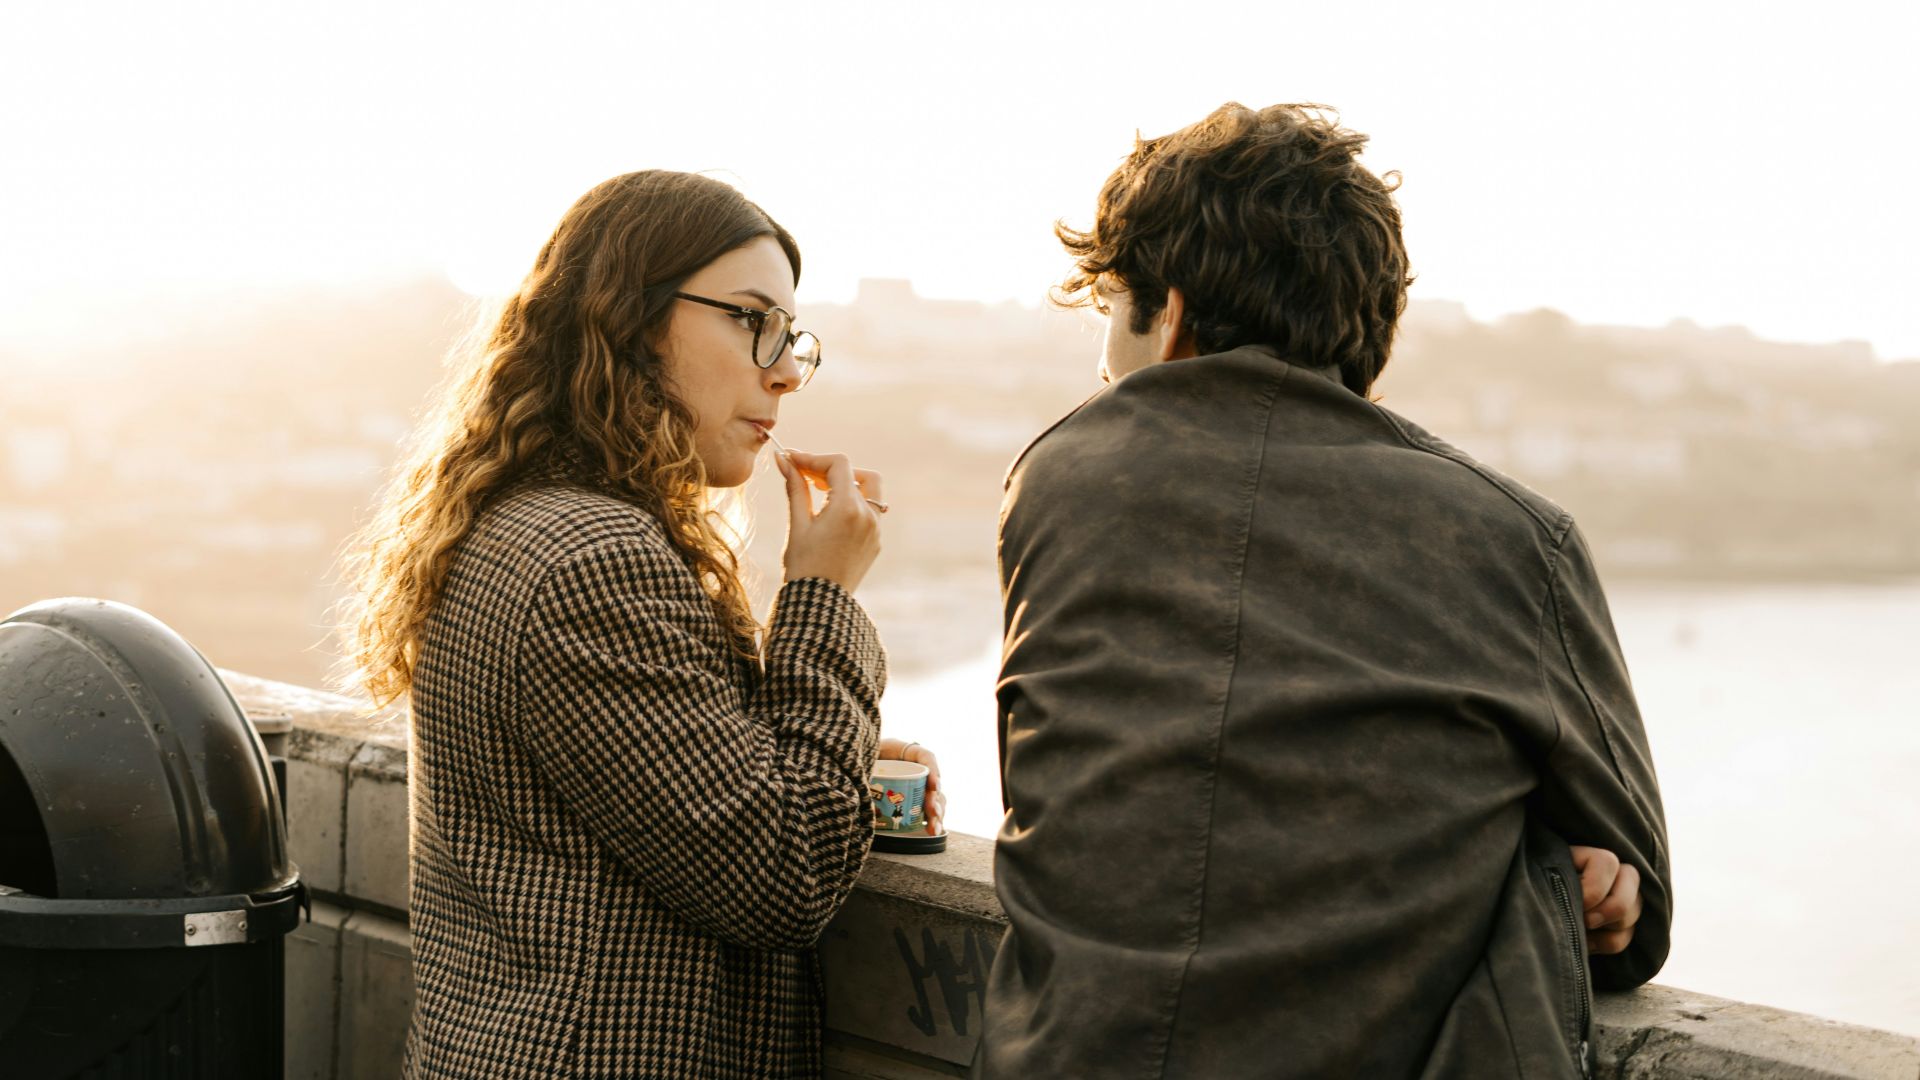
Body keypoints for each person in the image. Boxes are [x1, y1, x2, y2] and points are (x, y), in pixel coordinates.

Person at [979, 104, 1670, 1078]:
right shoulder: (1515, 538)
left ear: (1167, 316)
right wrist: (1540, 862)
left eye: (1109, 326)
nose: (1102, 376)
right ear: (1370, 332)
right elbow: (1640, 924)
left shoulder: (1056, 482)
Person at [340, 170, 942, 1079]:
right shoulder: (594, 558)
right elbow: (782, 876)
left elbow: (654, 775)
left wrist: (826, 747)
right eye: (751, 319)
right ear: (629, 317)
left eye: (791, 336)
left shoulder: (527, 517)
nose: (783, 370)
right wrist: (824, 594)